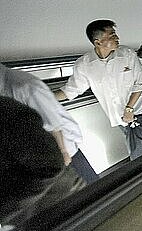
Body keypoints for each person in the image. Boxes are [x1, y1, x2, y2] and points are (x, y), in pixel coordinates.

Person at [55, 20, 142, 160]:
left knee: (137, 153)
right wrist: (44, 96)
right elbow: (71, 91)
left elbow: (141, 83)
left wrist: (129, 108)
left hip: (139, 109)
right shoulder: (85, 64)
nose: (117, 38)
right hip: (118, 117)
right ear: (98, 42)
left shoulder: (127, 54)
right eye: (112, 35)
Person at [0, 63, 98, 184]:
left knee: (89, 188)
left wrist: (63, 152)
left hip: (61, 150)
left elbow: (53, 124)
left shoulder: (25, 86)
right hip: (40, 153)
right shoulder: (8, 85)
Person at [1, 96, 85, 227]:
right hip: (28, 216)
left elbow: (50, 165)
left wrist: (6, 209)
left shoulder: (7, 110)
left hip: (61, 204)